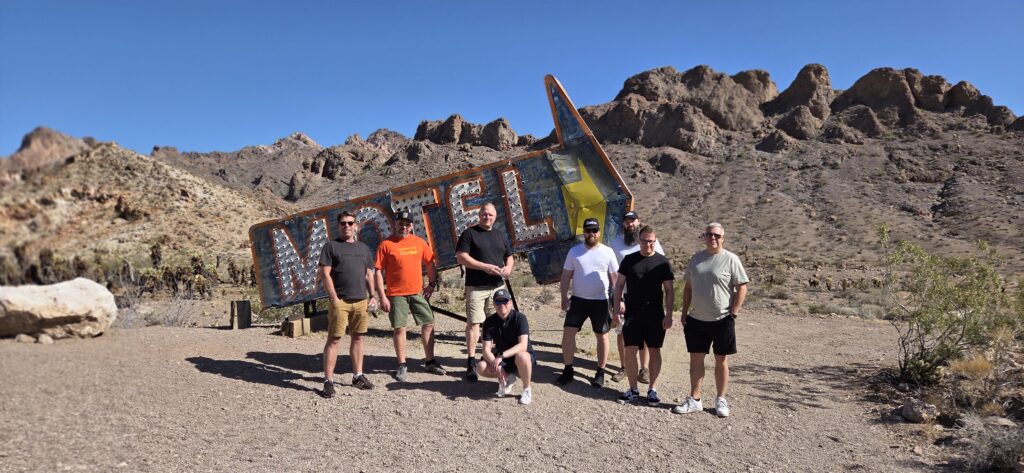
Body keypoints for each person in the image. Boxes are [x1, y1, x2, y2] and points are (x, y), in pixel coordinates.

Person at [672, 222, 749, 417]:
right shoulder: (696, 259)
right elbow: (688, 288)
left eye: (716, 235)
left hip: (722, 318)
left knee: (720, 360)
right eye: (709, 234)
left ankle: (721, 399)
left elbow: (742, 287)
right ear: (703, 237)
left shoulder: (731, 259)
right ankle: (695, 399)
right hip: (696, 319)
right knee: (696, 359)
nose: (712, 238)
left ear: (723, 238)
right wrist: (683, 313)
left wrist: (734, 312)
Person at [374, 210, 447, 382]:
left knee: (428, 323)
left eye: (407, 224)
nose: (404, 227)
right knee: (399, 328)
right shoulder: (386, 245)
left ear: (412, 226)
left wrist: (431, 284)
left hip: (417, 292)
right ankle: (401, 364)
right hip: (396, 294)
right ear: (395, 225)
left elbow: (430, 264)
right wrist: (382, 296)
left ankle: (430, 361)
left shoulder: (419, 243)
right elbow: (378, 271)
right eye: (401, 224)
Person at [612, 225, 674, 404]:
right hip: (632, 313)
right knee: (630, 350)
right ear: (639, 241)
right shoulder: (629, 260)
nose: (648, 244)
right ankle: (633, 389)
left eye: (651, 241)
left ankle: (652, 390)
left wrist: (669, 315)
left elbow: (669, 290)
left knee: (654, 350)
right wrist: (617, 310)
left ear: (655, 241)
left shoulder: (662, 262)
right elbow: (619, 286)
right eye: (645, 241)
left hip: (654, 313)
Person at [319, 211, 378, 397]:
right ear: (338, 226)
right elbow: (325, 274)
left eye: (350, 223)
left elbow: (369, 274)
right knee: (334, 339)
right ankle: (328, 381)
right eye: (343, 223)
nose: (347, 226)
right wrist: (334, 299)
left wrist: (373, 296)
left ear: (356, 226)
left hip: (360, 300)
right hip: (341, 301)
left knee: (358, 337)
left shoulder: (363, 248)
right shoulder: (331, 247)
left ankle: (357, 376)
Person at [556, 217, 619, 387]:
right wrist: (563, 297)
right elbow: (566, 275)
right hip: (578, 300)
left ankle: (600, 372)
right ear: (583, 232)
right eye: (588, 230)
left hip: (601, 301)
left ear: (599, 232)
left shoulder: (608, 252)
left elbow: (615, 279)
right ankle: (568, 370)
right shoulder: (574, 251)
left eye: (594, 231)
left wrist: (619, 302)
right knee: (568, 332)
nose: (591, 234)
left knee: (602, 336)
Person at [456, 202, 514, 382]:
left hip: (497, 287)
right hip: (476, 287)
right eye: (484, 214)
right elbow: (462, 257)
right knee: (474, 324)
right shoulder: (469, 234)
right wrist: (484, 267)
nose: (487, 217)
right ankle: (471, 362)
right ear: (479, 215)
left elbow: (509, 256)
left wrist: (508, 268)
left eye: (490, 214)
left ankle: (491, 358)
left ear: (495, 216)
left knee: (495, 324)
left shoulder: (499, 235)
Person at [608, 211, 665, 384]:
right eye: (627, 221)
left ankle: (644, 368)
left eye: (633, 221)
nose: (630, 224)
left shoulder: (651, 242)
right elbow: (612, 272)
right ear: (623, 224)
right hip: (623, 295)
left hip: (646, 297)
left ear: (638, 222)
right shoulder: (615, 244)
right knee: (622, 332)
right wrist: (618, 300)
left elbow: (660, 264)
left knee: (645, 335)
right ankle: (624, 367)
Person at [475, 289, 535, 405]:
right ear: (493, 304)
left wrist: (501, 357)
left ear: (511, 303)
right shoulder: (489, 321)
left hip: (520, 356)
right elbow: (486, 350)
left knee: (522, 356)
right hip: (502, 358)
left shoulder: (520, 318)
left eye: (505, 302)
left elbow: (523, 345)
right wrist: (496, 365)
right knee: (481, 367)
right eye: (498, 302)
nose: (502, 305)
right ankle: (508, 378)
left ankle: (527, 389)